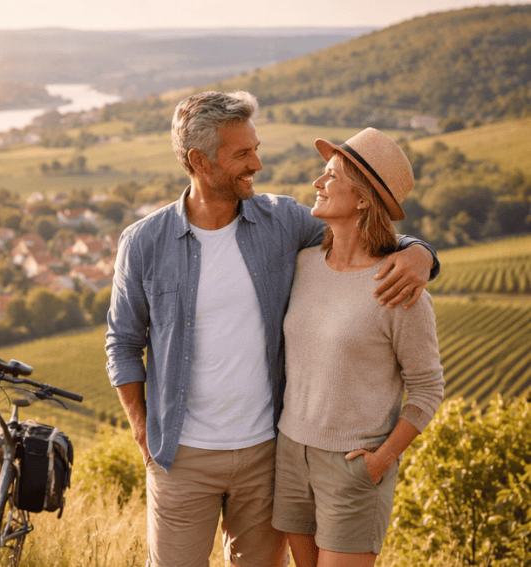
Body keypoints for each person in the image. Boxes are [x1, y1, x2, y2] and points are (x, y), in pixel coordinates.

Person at [105, 91, 439, 567]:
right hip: (181, 457)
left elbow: (363, 232)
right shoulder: (144, 243)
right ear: (199, 161)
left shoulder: (282, 222)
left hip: (268, 455)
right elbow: (122, 343)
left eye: (256, 148)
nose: (257, 164)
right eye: (242, 153)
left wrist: (421, 253)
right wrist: (143, 433)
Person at [272, 128, 445, 567]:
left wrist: (382, 459)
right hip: (291, 453)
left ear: (363, 199)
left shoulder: (399, 287)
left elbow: (428, 388)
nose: (318, 183)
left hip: (354, 464)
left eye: (331, 175)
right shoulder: (304, 265)